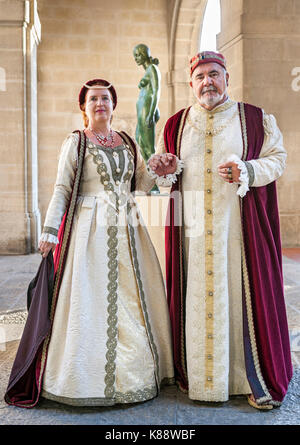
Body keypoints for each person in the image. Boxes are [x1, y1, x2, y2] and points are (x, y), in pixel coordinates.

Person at [5, 78, 174, 408]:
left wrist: (157, 169)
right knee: (91, 300)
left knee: (132, 300)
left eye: (106, 98)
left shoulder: (126, 141)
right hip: (89, 234)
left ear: (114, 104)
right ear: (83, 107)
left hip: (129, 232)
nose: (100, 103)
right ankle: (87, 378)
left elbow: (138, 183)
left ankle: (135, 375)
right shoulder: (76, 143)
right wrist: (50, 231)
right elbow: (62, 188)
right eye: (93, 99)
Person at [148, 51, 293, 410]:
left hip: (239, 232)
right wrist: (163, 170)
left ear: (227, 78)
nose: (207, 82)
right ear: (191, 83)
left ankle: (246, 378)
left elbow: (277, 159)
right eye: (199, 77)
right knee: (197, 300)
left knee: (239, 299)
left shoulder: (254, 120)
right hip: (193, 237)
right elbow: (168, 176)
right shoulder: (175, 125)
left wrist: (246, 170)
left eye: (214, 74)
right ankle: (199, 377)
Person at [133, 43, 161, 163]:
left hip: (147, 108)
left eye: (139, 55)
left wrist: (151, 113)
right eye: (135, 56)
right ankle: (148, 171)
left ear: (145, 54)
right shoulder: (147, 71)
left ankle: (155, 176)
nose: (136, 58)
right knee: (139, 140)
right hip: (142, 109)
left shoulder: (153, 68)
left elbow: (156, 91)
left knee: (148, 146)